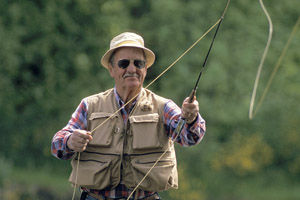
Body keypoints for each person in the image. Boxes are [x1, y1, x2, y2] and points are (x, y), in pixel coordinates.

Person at [51, 32, 206, 200]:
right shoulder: (90, 105)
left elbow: (189, 138)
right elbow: (56, 145)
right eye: (124, 63)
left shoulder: (164, 107)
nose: (132, 69)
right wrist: (70, 141)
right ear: (111, 69)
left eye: (138, 63)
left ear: (145, 69)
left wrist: (190, 118)